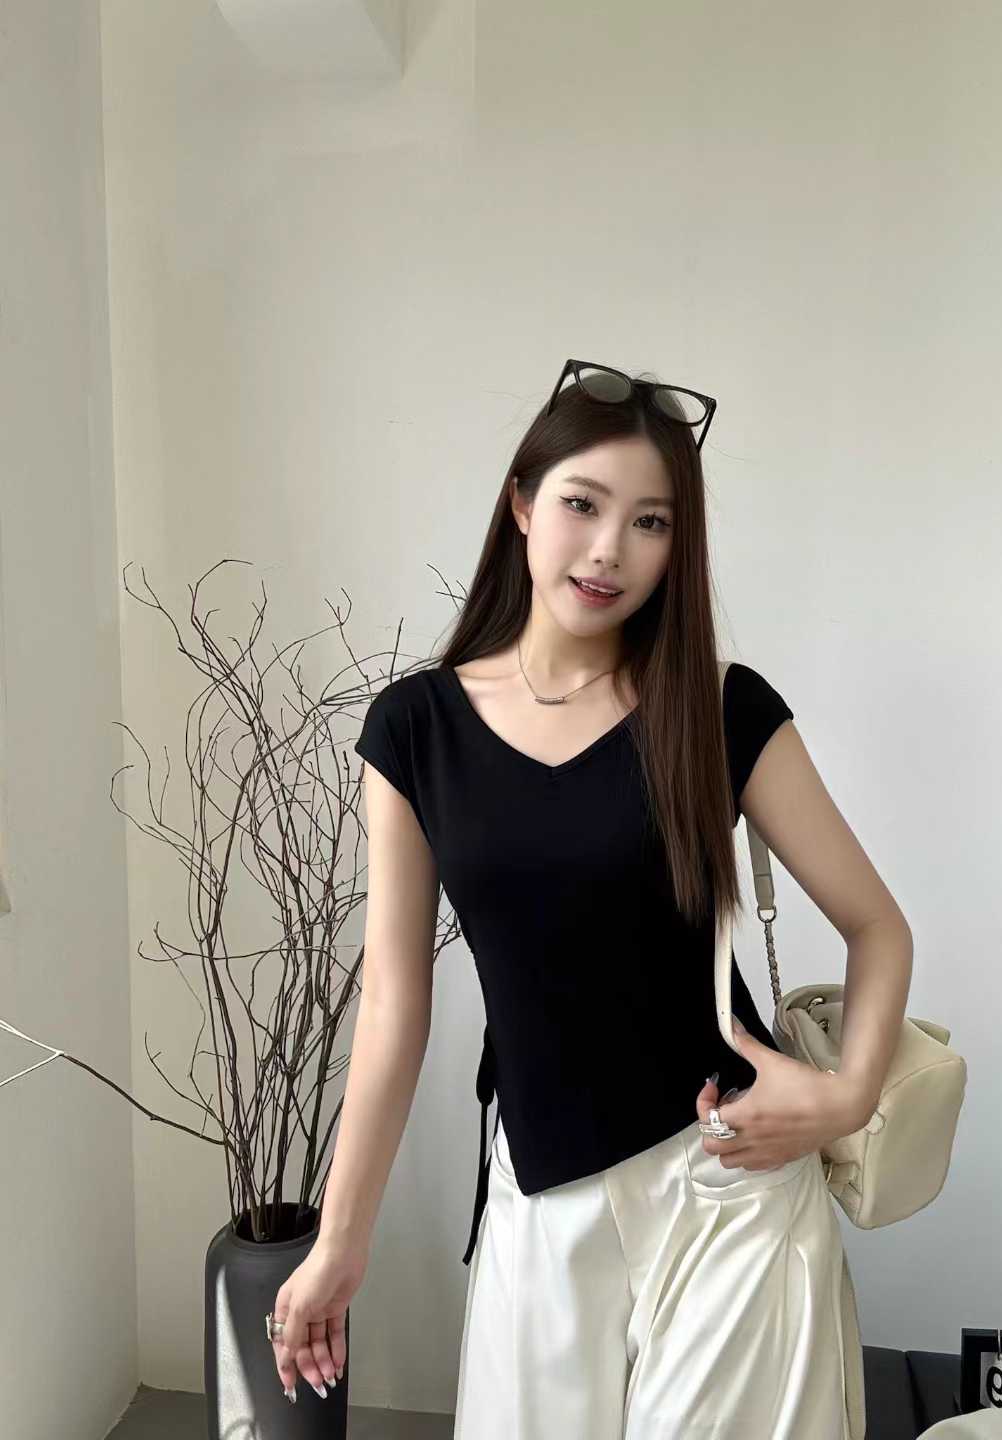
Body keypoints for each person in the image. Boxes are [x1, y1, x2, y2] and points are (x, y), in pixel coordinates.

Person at [267, 360, 912, 1437]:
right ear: (522, 503)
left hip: (728, 1181)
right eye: (582, 503)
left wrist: (847, 1098)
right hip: (542, 1193)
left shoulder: (718, 709)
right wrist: (341, 1239)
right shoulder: (417, 730)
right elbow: (391, 1006)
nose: (611, 548)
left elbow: (878, 926)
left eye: (651, 522)